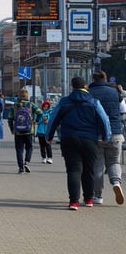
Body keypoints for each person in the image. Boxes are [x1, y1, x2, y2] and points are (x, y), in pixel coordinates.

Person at [46, 76, 111, 210]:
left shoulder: (64, 102)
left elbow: (54, 119)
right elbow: (104, 120)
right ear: (85, 86)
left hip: (69, 139)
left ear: (72, 87)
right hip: (90, 140)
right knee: (89, 170)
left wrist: (49, 136)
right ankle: (88, 199)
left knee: (73, 170)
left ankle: (74, 202)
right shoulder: (94, 102)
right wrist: (106, 137)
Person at [88, 71, 124, 205]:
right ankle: (116, 182)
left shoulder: (89, 92)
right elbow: (122, 109)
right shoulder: (114, 91)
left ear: (93, 79)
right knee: (114, 162)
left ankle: (98, 196)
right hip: (115, 132)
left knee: (97, 165)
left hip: (96, 134)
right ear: (105, 78)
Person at [7, 88, 43, 174]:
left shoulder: (15, 105)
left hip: (18, 131)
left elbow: (10, 118)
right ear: (27, 96)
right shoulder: (31, 105)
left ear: (19, 96)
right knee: (29, 147)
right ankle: (26, 162)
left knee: (19, 149)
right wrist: (36, 121)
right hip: (29, 130)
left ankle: (20, 168)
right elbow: (40, 113)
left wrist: (12, 128)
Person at [36, 99, 54, 164]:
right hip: (40, 131)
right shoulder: (40, 113)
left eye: (47, 106)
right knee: (42, 146)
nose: (46, 107)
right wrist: (42, 120)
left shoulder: (51, 113)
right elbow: (37, 121)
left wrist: (47, 121)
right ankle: (43, 157)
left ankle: (50, 158)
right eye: (44, 106)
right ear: (43, 106)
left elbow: (52, 121)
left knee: (48, 145)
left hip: (47, 131)